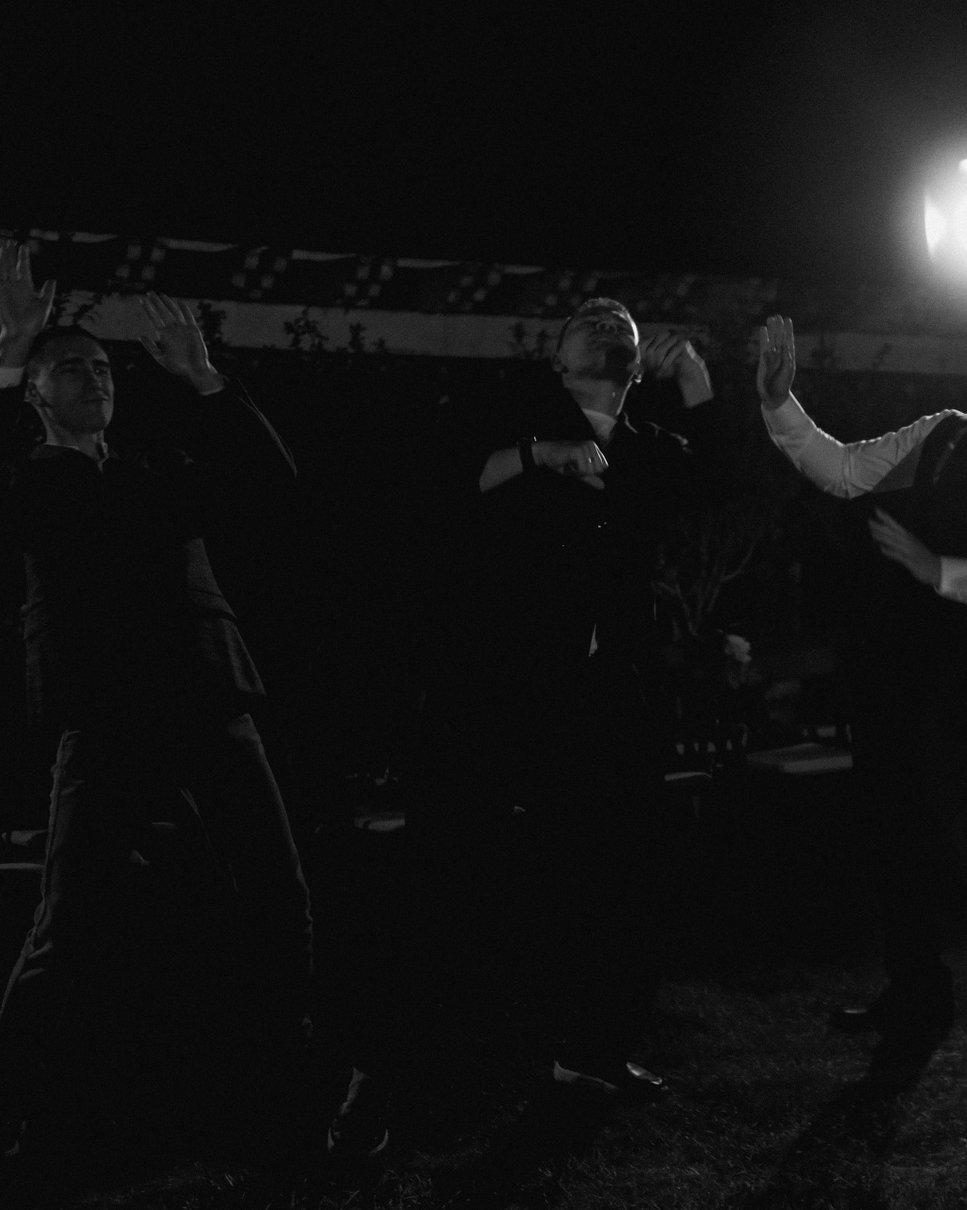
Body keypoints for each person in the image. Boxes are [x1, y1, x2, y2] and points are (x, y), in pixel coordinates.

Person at [331, 296, 732, 1154]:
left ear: (635, 366)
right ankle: (379, 1072)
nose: (609, 323)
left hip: (599, 700)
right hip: (492, 690)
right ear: (557, 361)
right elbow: (428, 486)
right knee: (443, 873)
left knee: (616, 877)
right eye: (588, 323)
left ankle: (589, 1057)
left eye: (620, 327)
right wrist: (532, 456)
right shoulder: (507, 419)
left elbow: (719, 485)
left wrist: (699, 385)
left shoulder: (649, 449)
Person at [0, 283, 311, 1163]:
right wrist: (10, 357)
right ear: (37, 394)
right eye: (72, 368)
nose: (95, 378)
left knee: (277, 895)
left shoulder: (157, 468)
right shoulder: (31, 480)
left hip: (209, 698)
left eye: (103, 367)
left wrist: (206, 380)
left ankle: (283, 1102)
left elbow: (270, 484)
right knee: (67, 927)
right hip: (110, 718)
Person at [756, 293, 967, 1100]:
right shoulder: (941, 430)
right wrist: (778, 402)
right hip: (898, 673)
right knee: (891, 839)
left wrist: (936, 569)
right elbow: (843, 470)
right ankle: (916, 995)